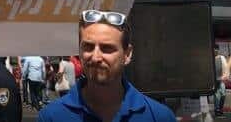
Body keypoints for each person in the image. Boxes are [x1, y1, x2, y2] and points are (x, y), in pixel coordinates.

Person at [38, 10, 175, 121]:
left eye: (107, 48)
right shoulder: (52, 117)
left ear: (127, 55)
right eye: (88, 47)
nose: (96, 57)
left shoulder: (158, 117)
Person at [215, 44, 228, 116]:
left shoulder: (222, 58)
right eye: (214, 49)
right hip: (215, 80)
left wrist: (225, 77)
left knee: (223, 95)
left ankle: (220, 108)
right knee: (217, 96)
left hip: (221, 79)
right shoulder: (211, 58)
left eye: (216, 49)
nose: (215, 51)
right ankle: (217, 110)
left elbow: (225, 68)